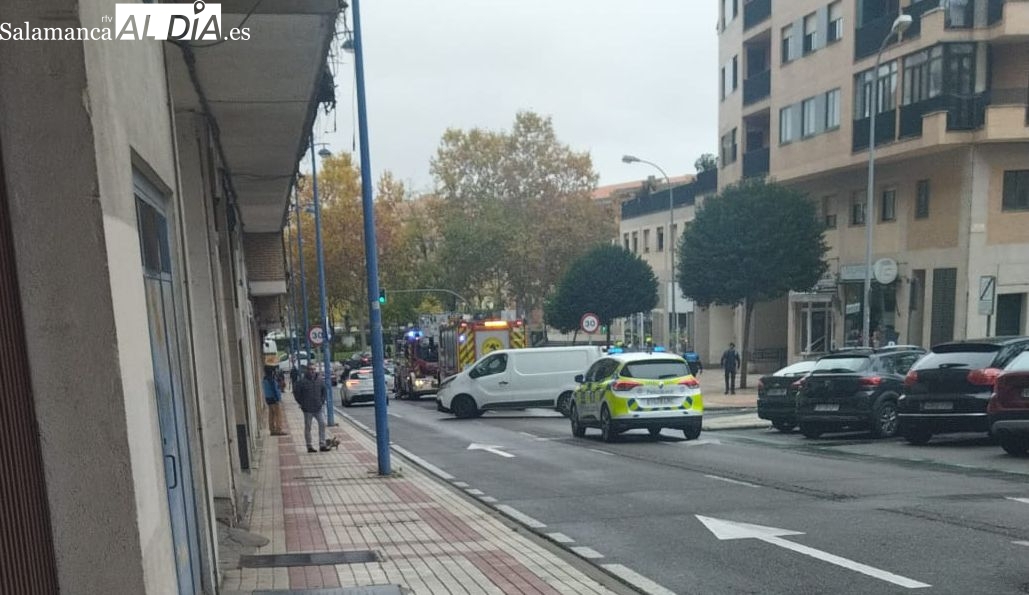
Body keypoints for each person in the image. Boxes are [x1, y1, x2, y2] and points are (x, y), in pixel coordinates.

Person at [293, 363, 329, 453]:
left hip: (318, 407)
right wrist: (302, 404)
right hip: (307, 409)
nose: (312, 371)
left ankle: (322, 444)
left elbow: (324, 391)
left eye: (313, 369)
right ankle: (309, 446)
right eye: (310, 369)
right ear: (307, 371)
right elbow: (296, 393)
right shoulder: (302, 382)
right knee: (308, 427)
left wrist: (322, 401)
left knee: (322, 424)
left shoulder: (319, 380)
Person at [262, 366, 287, 436]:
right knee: (278, 414)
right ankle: (279, 429)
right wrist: (278, 399)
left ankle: (272, 429)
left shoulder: (265, 379)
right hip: (274, 399)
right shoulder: (271, 379)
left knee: (271, 415)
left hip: (268, 399)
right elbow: (274, 390)